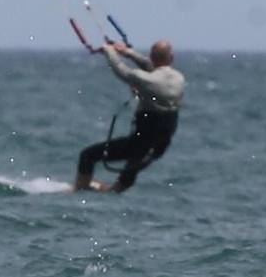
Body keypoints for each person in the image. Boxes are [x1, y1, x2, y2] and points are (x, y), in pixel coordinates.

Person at [73, 39, 185, 193]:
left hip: (140, 143)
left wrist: (109, 51)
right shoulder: (179, 79)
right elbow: (152, 69)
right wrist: (128, 53)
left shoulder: (145, 79)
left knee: (87, 155)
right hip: (159, 146)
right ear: (171, 58)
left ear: (152, 57)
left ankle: (79, 189)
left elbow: (121, 69)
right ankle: (117, 188)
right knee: (137, 159)